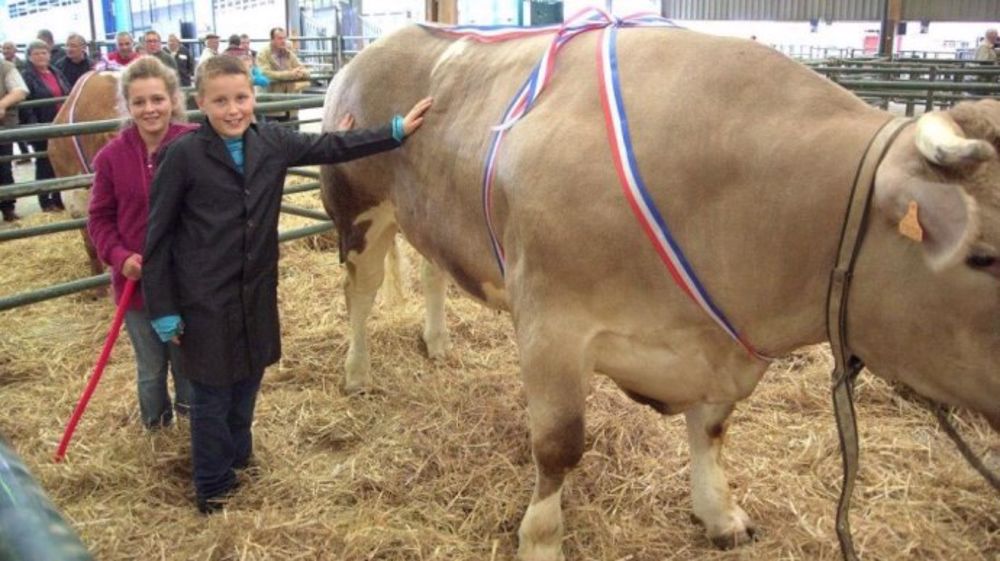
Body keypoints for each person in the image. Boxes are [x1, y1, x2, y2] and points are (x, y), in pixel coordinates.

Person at [142, 55, 432, 513]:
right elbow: (156, 240)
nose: (233, 109)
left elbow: (332, 148)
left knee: (247, 384)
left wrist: (395, 130)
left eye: (241, 98)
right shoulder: (182, 157)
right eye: (221, 101)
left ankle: (241, 462)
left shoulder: (271, 142)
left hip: (255, 291)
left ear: (253, 97)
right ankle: (213, 489)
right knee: (212, 397)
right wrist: (163, 309)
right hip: (203, 299)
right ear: (201, 103)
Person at [87, 57, 194, 429]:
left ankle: (193, 427)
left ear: (173, 99)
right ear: (127, 106)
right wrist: (120, 258)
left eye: (157, 99)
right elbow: (99, 219)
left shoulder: (196, 143)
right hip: (137, 284)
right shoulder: (111, 158)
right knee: (150, 368)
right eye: (139, 102)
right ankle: (156, 429)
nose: (150, 109)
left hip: (186, 281)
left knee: (188, 364)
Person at [20, 40, 70, 211]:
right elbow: (26, 106)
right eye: (36, 53)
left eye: (44, 52)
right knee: (44, 163)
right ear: (29, 57)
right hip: (42, 126)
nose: (41, 56)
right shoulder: (27, 76)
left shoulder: (56, 71)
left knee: (60, 162)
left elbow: (68, 92)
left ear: (49, 54)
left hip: (60, 124)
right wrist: (35, 127)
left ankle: (57, 197)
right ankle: (45, 200)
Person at [256, 27, 309, 121]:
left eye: (284, 38)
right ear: (272, 39)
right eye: (280, 38)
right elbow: (265, 73)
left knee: (290, 126)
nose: (283, 41)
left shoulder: (288, 54)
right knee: (272, 128)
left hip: (289, 102)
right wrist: (290, 74)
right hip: (272, 103)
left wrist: (300, 73)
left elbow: (305, 70)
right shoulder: (263, 54)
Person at [0, 57, 28, 222]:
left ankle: (7, 208)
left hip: (2, 127)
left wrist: (2, 104)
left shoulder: (5, 67)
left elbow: (20, 90)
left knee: (3, 169)